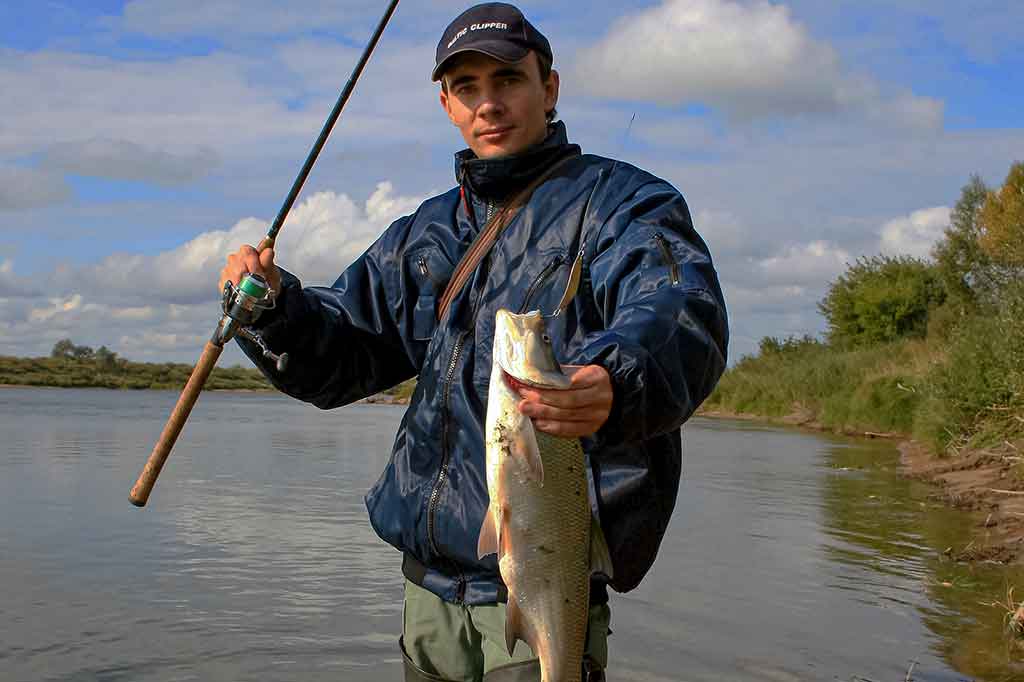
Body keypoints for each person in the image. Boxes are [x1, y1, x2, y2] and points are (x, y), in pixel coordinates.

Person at [220, 3, 729, 680]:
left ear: (548, 88)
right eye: (468, 88)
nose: (489, 103)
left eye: (508, 80)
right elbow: (340, 360)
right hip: (426, 596)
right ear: (447, 104)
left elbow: (679, 308)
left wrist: (615, 378)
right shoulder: (425, 234)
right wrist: (277, 309)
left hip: (546, 581)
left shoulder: (623, 204)